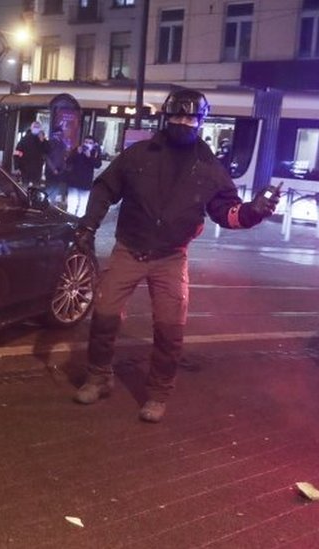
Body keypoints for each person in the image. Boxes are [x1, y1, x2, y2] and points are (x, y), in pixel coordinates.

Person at [72, 89, 280, 423]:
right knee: (105, 314)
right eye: (177, 116)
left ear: (201, 121)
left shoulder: (210, 168)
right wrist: (88, 226)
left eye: (191, 118)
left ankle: (158, 393)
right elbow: (105, 188)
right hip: (129, 248)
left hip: (171, 256)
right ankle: (98, 377)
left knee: (170, 329)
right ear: (166, 117)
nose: (183, 123)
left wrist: (253, 212)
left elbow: (225, 212)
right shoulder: (137, 155)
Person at [65, 136, 102, 216]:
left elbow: (98, 165)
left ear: (93, 144)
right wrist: (77, 153)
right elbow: (68, 161)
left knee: (83, 205)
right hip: (74, 182)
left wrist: (89, 157)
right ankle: (69, 221)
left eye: (90, 143)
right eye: (86, 142)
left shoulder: (95, 152)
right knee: (72, 204)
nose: (87, 144)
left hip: (86, 183)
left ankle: (78, 222)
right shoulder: (78, 150)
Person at [13, 120, 49, 188]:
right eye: (35, 127)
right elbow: (17, 153)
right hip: (26, 168)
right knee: (26, 186)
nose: (36, 128)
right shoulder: (25, 139)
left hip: (36, 169)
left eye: (38, 127)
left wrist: (43, 141)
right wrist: (17, 166)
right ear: (31, 128)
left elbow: (47, 151)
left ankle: (31, 197)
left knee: (34, 187)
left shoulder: (41, 140)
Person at [44, 127, 69, 208]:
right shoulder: (50, 142)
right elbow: (46, 157)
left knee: (56, 188)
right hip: (51, 170)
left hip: (60, 170)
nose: (60, 135)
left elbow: (64, 156)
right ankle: (46, 205)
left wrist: (63, 167)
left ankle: (52, 205)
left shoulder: (63, 143)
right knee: (50, 188)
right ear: (54, 134)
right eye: (57, 133)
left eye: (61, 133)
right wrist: (53, 168)